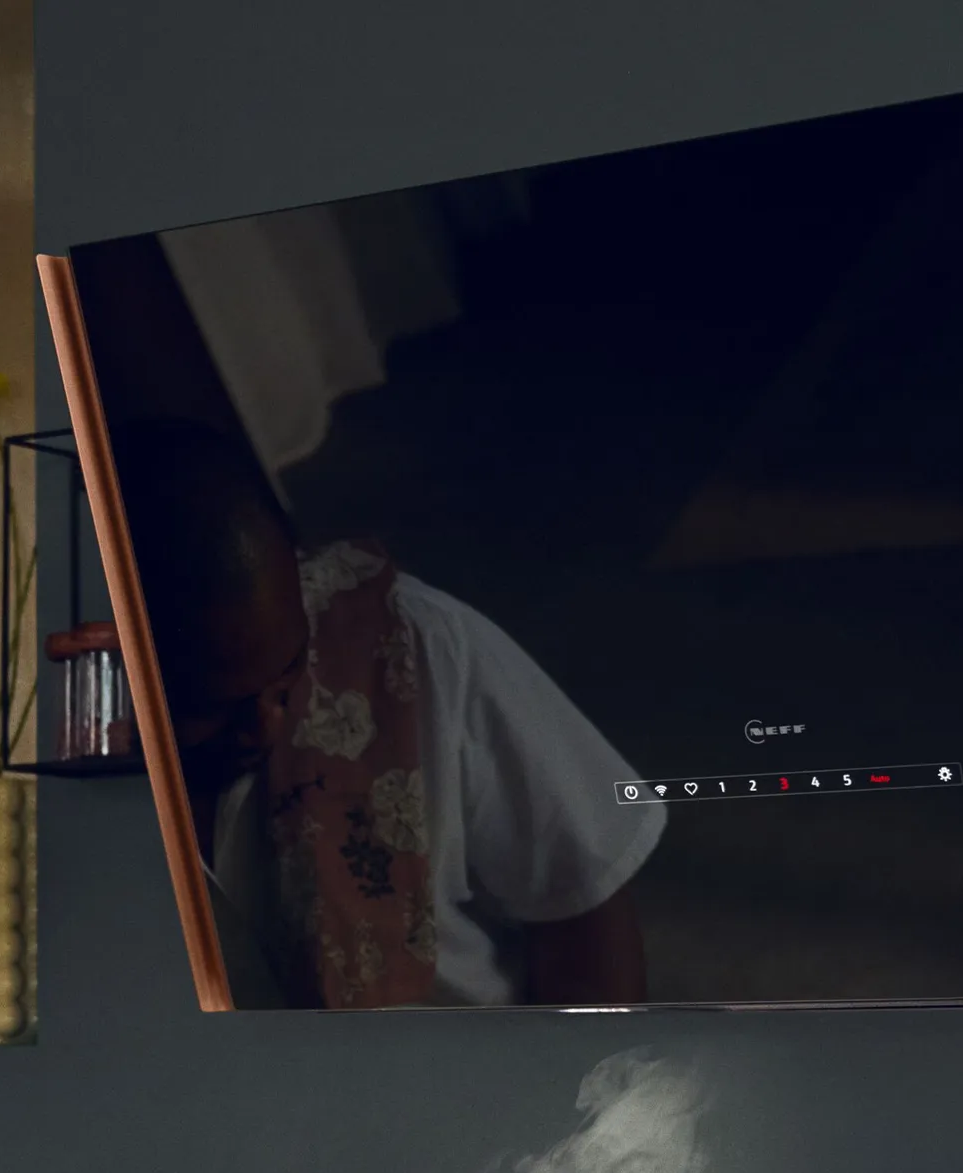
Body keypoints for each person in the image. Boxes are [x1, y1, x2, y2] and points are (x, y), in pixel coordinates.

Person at [109, 418, 659, 1008]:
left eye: (289, 672)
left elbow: (581, 903)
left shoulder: (415, 647)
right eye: (211, 707)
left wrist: (573, 1088)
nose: (267, 724)